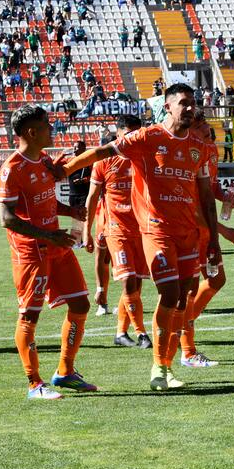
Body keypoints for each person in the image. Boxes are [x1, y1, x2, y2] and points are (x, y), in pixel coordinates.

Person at [53, 83, 220, 391]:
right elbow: (103, 151)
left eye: (192, 103)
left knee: (182, 299)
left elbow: (207, 198)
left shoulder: (199, 146)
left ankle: (167, 366)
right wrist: (66, 170)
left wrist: (214, 241)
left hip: (188, 232)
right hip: (156, 229)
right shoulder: (148, 137)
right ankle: (158, 365)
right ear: (167, 107)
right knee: (169, 293)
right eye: (183, 103)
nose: (189, 108)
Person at [0, 105, 97, 400]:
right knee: (29, 315)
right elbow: (7, 218)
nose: (52, 128)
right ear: (31, 132)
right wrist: (49, 235)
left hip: (56, 245)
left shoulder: (43, 160)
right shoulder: (12, 169)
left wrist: (69, 211)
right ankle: (34, 384)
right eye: (46, 124)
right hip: (32, 252)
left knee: (80, 305)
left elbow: (46, 202)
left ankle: (65, 371)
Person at [180, 114, 234, 368]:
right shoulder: (186, 155)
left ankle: (180, 328)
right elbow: (192, 205)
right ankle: (186, 348)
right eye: (202, 129)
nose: (208, 132)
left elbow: (209, 187)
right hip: (190, 229)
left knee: (216, 279)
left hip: (206, 231)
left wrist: (223, 195)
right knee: (189, 290)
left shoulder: (209, 152)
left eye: (208, 128)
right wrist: (223, 230)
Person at [84, 117, 150, 349]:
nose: (132, 139)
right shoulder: (104, 161)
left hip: (141, 229)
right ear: (119, 134)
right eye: (128, 134)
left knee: (136, 285)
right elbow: (92, 198)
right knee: (128, 281)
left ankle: (121, 333)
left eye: (136, 134)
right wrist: (86, 231)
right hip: (116, 229)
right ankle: (142, 333)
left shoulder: (145, 158)